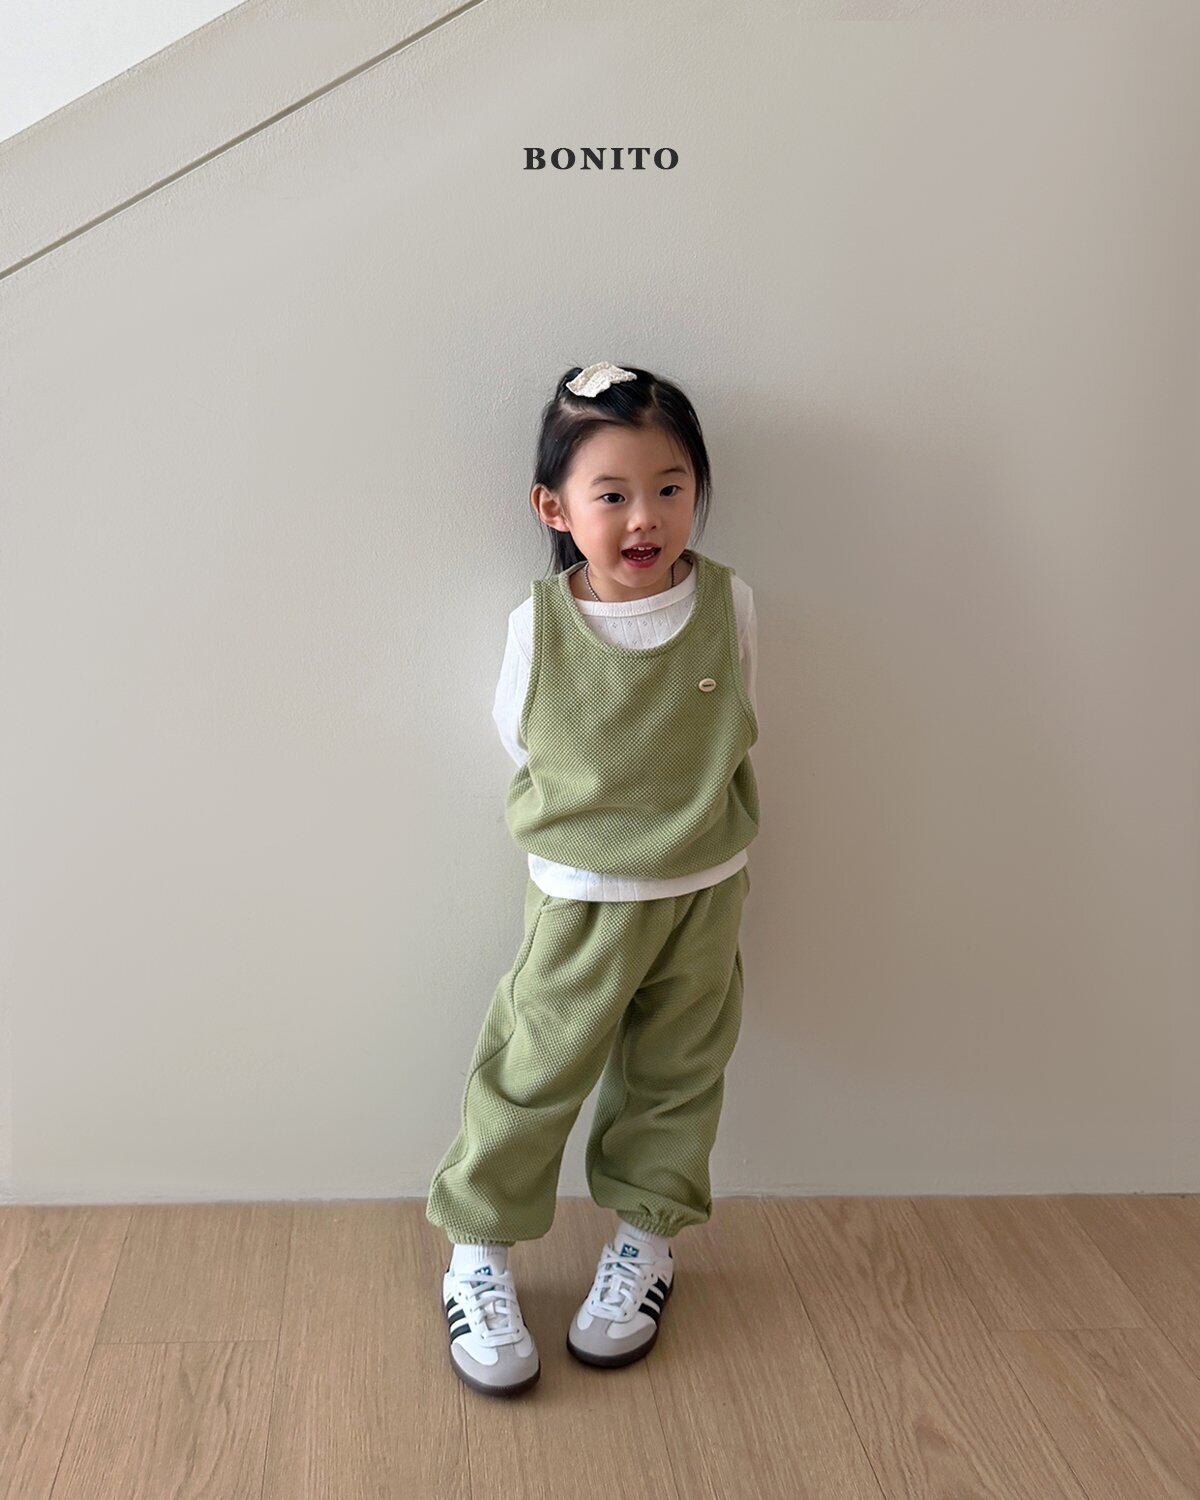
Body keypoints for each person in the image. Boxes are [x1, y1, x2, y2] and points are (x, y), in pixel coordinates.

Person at [425, 361, 760, 1397]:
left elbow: (739, 723)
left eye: (669, 487)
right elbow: (520, 739)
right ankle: (478, 1250)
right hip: (582, 896)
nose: (645, 516)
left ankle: (646, 1242)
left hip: (705, 892)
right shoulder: (541, 627)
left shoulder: (732, 606)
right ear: (556, 508)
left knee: (677, 1075)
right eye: (612, 494)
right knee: (535, 1070)